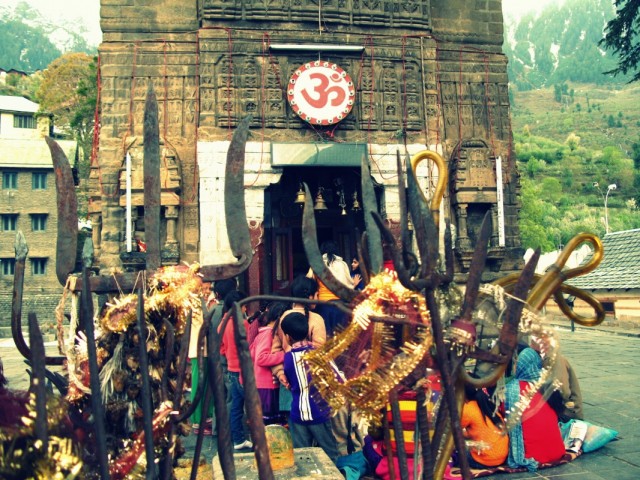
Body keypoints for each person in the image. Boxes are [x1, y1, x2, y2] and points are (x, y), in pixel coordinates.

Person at [281, 311, 340, 463]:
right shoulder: (319, 355)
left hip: (298, 413)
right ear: (308, 332)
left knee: (302, 456)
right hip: (320, 413)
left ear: (287, 337)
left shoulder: (288, 359)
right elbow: (338, 379)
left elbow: (291, 384)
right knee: (330, 454)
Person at [272, 275, 326, 422]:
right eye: (317, 295)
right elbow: (321, 355)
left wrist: (280, 374)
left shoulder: (282, 317)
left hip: (288, 382)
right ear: (310, 296)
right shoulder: (317, 320)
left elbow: (275, 351)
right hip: (312, 387)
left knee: (293, 427)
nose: (318, 298)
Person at [505, 348, 565, 471]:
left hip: (534, 456)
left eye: (517, 363)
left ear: (521, 366)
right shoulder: (547, 386)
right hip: (557, 452)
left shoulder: (512, 389)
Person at [218, 289, 252, 450]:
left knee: (236, 407)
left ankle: (238, 440)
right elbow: (250, 346)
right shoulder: (242, 324)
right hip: (243, 370)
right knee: (252, 406)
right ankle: (258, 439)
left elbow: (221, 348)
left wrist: (229, 354)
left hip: (231, 369)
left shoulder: (222, 324)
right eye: (244, 306)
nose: (246, 308)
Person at [250, 301, 289, 425]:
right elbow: (261, 358)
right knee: (270, 425)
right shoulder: (268, 334)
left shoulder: (263, 332)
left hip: (262, 384)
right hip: (267, 385)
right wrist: (284, 355)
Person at [308, 240, 355, 337]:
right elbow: (348, 285)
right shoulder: (342, 264)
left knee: (325, 335)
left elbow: (308, 282)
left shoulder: (317, 265)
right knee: (340, 336)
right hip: (340, 305)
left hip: (323, 304)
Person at [460, 385, 509, 468]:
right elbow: (481, 429)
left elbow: (454, 431)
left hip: (485, 460)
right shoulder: (488, 404)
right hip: (502, 458)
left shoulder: (468, 408)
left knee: (455, 448)